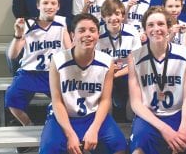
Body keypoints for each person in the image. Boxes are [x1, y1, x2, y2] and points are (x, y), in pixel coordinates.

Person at [128, 6, 186, 154]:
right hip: (150, 116)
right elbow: (136, 103)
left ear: (169, 27)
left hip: (178, 114)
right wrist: (165, 130)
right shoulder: (134, 57)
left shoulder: (184, 53)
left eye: (161, 24)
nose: (156, 28)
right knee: (138, 150)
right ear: (144, 30)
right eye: (150, 25)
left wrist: (184, 128)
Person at [39, 13, 127, 154]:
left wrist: (94, 129)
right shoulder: (58, 61)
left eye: (92, 30)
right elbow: (57, 101)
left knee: (119, 146)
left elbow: (105, 100)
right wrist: (70, 134)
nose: (88, 34)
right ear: (73, 35)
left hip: (92, 115)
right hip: (63, 116)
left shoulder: (106, 62)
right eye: (82, 30)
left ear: (98, 35)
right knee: (49, 148)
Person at [5, 0, 72, 153]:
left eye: (53, 3)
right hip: (29, 72)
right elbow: (12, 55)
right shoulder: (27, 24)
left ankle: (56, 130)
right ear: (38, 6)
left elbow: (70, 51)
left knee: (67, 102)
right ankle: (28, 125)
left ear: (58, 6)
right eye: (45, 3)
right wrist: (17, 35)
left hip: (53, 73)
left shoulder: (62, 24)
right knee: (11, 98)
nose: (49, 6)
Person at [8, 0, 73, 75]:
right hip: (31, 35)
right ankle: (19, 78)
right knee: (9, 52)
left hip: (55, 37)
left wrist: (53, 31)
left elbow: (67, 18)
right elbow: (19, 15)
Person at [96, 0, 141, 122]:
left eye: (117, 13)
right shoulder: (98, 33)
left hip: (126, 72)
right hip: (105, 74)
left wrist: (117, 74)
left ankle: (131, 120)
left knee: (136, 81)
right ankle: (107, 121)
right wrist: (110, 72)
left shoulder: (132, 31)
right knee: (103, 88)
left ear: (122, 15)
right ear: (103, 17)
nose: (114, 18)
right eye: (109, 14)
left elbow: (136, 61)